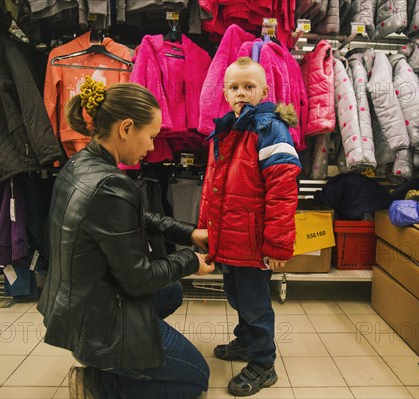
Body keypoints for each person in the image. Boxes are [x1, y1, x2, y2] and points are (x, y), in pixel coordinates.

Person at [37, 77, 216, 399]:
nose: (151, 147)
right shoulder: (110, 184)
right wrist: (190, 260)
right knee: (195, 379)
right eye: (150, 137)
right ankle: (101, 382)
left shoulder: (81, 163)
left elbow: (131, 219)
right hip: (98, 320)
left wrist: (187, 232)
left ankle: (119, 361)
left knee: (171, 291)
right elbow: (138, 279)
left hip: (77, 305)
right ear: (126, 128)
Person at [197, 57, 301, 396]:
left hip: (253, 240)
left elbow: (283, 188)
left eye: (249, 87)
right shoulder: (226, 129)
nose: (241, 93)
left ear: (264, 91)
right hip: (229, 236)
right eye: (234, 87)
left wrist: (279, 244)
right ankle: (245, 342)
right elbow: (212, 183)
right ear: (225, 92)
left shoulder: (269, 128)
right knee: (235, 294)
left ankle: (263, 363)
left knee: (255, 303)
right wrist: (204, 229)